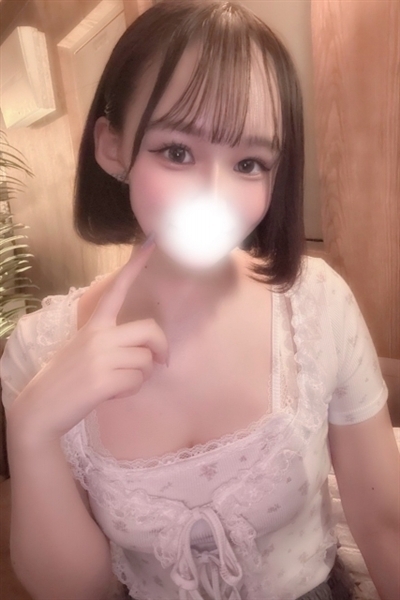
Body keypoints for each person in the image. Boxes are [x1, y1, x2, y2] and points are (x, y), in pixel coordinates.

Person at [1, 1, 399, 599]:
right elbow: (80, 592)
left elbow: (385, 525)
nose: (214, 195)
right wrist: (32, 430)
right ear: (113, 147)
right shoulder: (40, 352)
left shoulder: (316, 302)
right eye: (177, 152)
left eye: (249, 163)